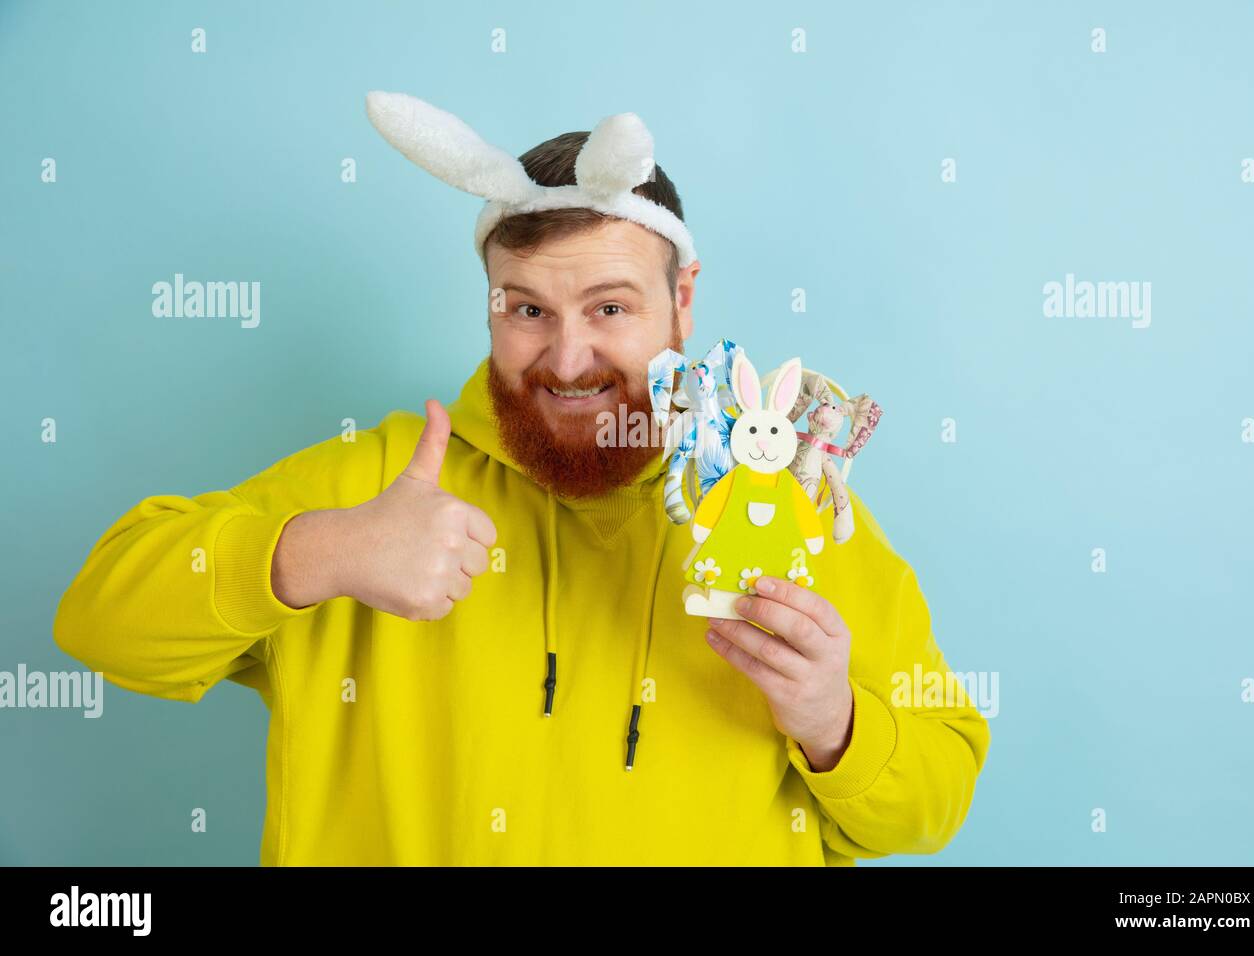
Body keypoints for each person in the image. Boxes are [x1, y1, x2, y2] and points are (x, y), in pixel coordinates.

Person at [52, 94, 990, 865]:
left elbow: (931, 807)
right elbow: (97, 618)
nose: (568, 358)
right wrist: (319, 550)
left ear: (684, 301)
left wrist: (837, 726)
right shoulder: (379, 481)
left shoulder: (794, 509)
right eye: (528, 309)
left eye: (610, 306)